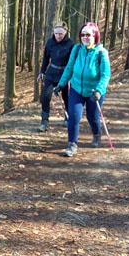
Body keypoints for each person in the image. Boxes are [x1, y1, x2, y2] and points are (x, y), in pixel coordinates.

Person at [53, 22, 111, 157]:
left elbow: (105, 75)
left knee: (93, 116)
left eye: (88, 35)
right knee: (73, 116)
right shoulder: (77, 49)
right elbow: (69, 68)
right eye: (82, 34)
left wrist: (99, 90)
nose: (85, 37)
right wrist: (61, 84)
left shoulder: (102, 53)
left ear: (95, 35)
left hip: (94, 92)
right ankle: (72, 144)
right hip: (76, 89)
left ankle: (97, 134)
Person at [37, 22, 75, 131]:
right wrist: (42, 72)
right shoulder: (50, 43)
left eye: (61, 34)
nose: (58, 36)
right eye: (56, 33)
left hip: (65, 73)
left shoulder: (71, 44)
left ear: (65, 33)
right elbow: (45, 59)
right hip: (51, 72)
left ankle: (67, 118)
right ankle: (44, 121)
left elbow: (72, 62)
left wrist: (71, 76)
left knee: (66, 96)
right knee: (46, 96)